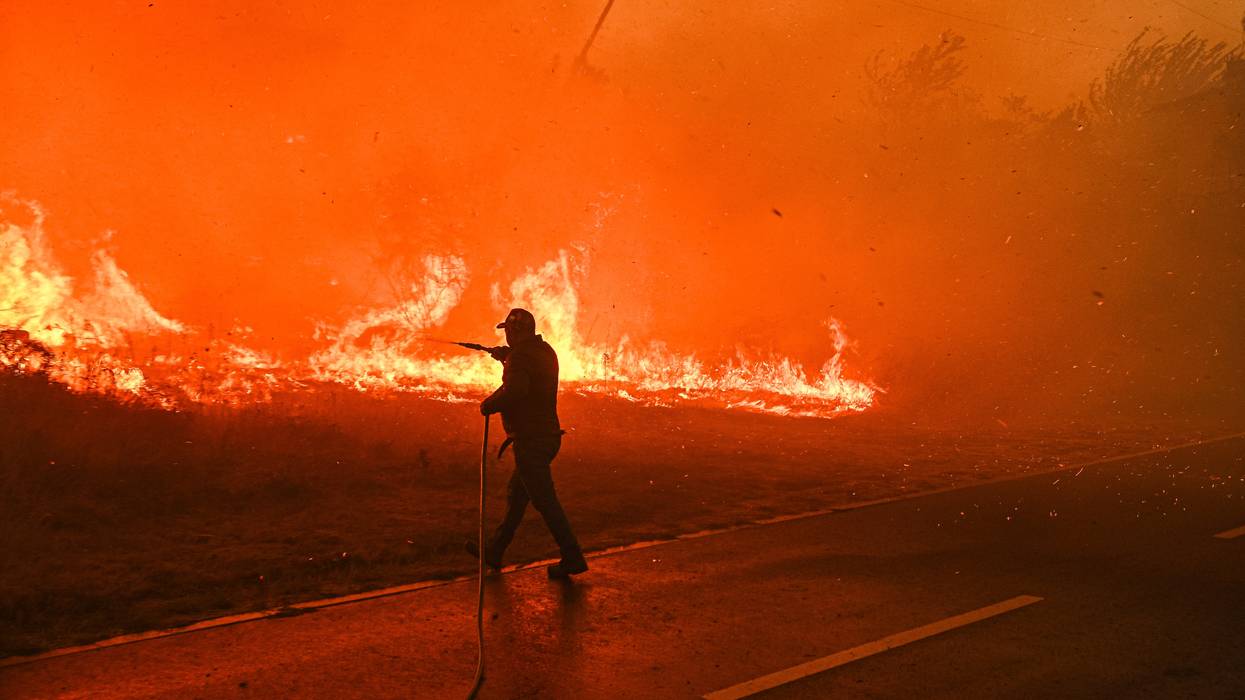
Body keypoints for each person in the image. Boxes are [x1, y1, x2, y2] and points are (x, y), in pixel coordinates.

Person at [468, 308, 588, 579]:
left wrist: (489, 404)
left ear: (516, 331)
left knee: (545, 501)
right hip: (546, 437)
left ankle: (573, 556)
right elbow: (530, 373)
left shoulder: (520, 357)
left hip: (531, 441)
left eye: (509, 331)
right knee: (517, 496)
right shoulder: (545, 351)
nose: (506, 334)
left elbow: (517, 390)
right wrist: (507, 358)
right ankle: (496, 551)